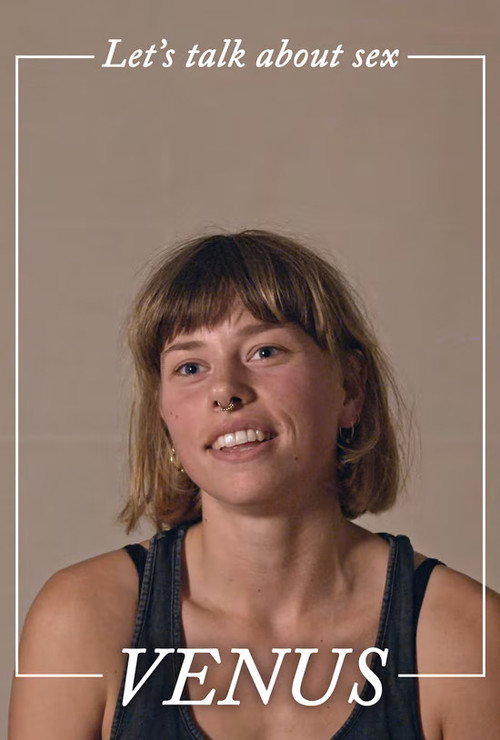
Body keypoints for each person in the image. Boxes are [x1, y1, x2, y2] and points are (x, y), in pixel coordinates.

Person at [9, 230, 500, 739]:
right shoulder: (81, 619)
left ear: (350, 389)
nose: (225, 390)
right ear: (164, 416)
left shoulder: (467, 637)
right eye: (190, 366)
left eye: (265, 352)